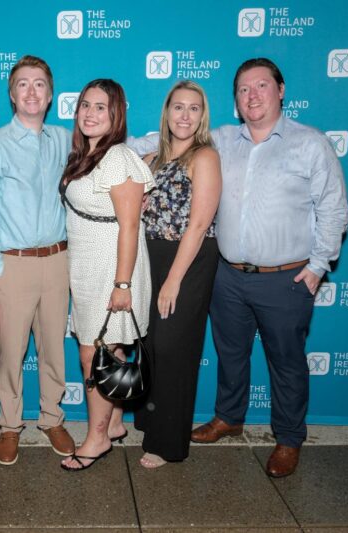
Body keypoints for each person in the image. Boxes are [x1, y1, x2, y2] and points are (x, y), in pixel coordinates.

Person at [191, 58, 348, 478]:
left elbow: (333, 208)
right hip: (227, 276)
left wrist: (318, 266)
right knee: (230, 353)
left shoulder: (310, 143)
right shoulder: (221, 140)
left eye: (261, 85)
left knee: (287, 362)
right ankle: (228, 417)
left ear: (280, 91)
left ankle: (289, 437)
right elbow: (171, 137)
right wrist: (112, 144)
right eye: (243, 89)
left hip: (286, 279)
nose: (252, 95)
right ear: (236, 100)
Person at [0, 55, 75, 465]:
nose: (32, 91)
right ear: (12, 95)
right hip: (12, 264)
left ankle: (52, 418)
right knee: (11, 353)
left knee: (54, 349)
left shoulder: (65, 139)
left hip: (58, 260)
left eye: (39, 84)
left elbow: (108, 147)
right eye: (23, 84)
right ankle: (10, 425)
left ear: (50, 95)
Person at [59, 79, 154, 471]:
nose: (90, 113)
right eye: (85, 105)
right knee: (109, 350)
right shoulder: (87, 154)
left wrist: (122, 284)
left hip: (112, 270)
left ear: (117, 115)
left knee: (93, 353)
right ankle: (113, 423)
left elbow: (130, 226)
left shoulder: (118, 157)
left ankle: (96, 439)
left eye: (101, 107)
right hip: (88, 267)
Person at [134, 81, 221, 469]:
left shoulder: (204, 157)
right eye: (178, 107)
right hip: (151, 255)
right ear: (166, 112)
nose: (185, 115)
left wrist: (173, 280)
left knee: (173, 348)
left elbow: (199, 224)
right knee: (151, 344)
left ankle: (168, 443)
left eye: (194, 108)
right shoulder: (152, 158)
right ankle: (150, 420)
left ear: (202, 116)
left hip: (187, 259)